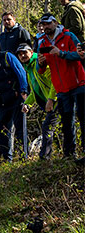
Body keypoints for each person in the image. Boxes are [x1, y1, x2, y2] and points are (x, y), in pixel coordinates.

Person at [37, 13, 85, 159]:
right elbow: (42, 70)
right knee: (66, 121)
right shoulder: (42, 43)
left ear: (55, 23)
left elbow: (80, 54)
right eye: (43, 24)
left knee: (82, 118)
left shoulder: (68, 36)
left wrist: (61, 53)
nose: (45, 27)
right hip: (61, 88)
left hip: (78, 84)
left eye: (48, 23)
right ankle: (69, 153)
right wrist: (41, 63)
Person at [15, 43, 59, 160]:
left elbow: (55, 81)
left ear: (31, 51)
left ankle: (45, 157)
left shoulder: (40, 63)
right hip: (49, 102)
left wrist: (51, 99)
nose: (23, 55)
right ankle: (60, 155)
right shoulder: (28, 68)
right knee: (55, 129)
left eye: (25, 52)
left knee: (47, 127)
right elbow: (35, 91)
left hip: (58, 99)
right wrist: (27, 104)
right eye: (20, 54)